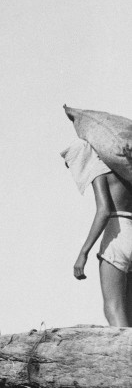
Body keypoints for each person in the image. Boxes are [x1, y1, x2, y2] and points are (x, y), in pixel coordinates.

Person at [63, 137, 132, 326]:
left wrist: (83, 253)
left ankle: (123, 356)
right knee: (129, 311)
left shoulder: (99, 171)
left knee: (114, 308)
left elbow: (104, 211)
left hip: (116, 235)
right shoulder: (125, 171)